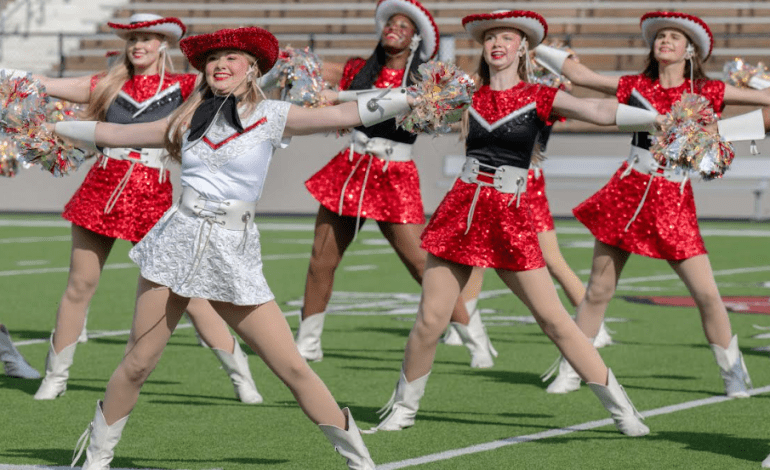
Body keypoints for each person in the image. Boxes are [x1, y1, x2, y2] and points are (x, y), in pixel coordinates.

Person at [54, 25, 419, 470]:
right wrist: (46, 123)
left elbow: (346, 116)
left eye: (232, 58)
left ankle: (361, 462)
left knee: (292, 368)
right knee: (136, 364)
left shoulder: (274, 115)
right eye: (212, 59)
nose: (220, 65)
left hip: (233, 250)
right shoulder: (187, 118)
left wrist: (414, 98)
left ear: (252, 69)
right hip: (177, 242)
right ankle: (95, 459)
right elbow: (113, 135)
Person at [367, 9, 663, 437]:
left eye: (507, 36)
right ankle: (402, 410)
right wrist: (345, 103)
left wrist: (659, 119)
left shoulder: (540, 95)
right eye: (490, 38)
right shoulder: (465, 93)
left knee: (555, 320)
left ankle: (622, 410)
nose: (496, 44)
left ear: (523, 47)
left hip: (510, 214)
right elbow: (401, 103)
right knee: (430, 320)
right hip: (462, 209)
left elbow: (597, 109)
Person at [24, 13, 261, 403]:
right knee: (79, 285)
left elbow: (234, 87)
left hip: (152, 192)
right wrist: (12, 79)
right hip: (101, 187)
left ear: (162, 44)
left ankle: (241, 374)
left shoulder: (186, 85)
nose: (139, 45)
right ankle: (56, 376)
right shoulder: (106, 84)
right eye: (134, 38)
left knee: (189, 295)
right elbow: (43, 85)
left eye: (148, 38)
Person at [534, 11, 770, 397]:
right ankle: (573, 368)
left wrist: (721, 128)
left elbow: (766, 105)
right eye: (660, 37)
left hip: (673, 199)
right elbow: (583, 78)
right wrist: (530, 42)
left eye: (674, 37)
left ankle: (733, 373)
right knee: (598, 290)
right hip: (627, 193)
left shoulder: (707, 92)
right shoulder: (633, 85)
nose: (665, 42)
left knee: (707, 294)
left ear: (690, 50)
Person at [296, 0, 497, 369]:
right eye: (391, 23)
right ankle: (307, 342)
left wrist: (338, 96)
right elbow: (313, 80)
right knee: (320, 260)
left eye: (404, 26)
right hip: (352, 168)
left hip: (394, 174)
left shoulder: (425, 79)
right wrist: (295, 66)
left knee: (422, 265)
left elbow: (417, 105)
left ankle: (475, 339)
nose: (395, 29)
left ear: (415, 37)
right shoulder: (359, 69)